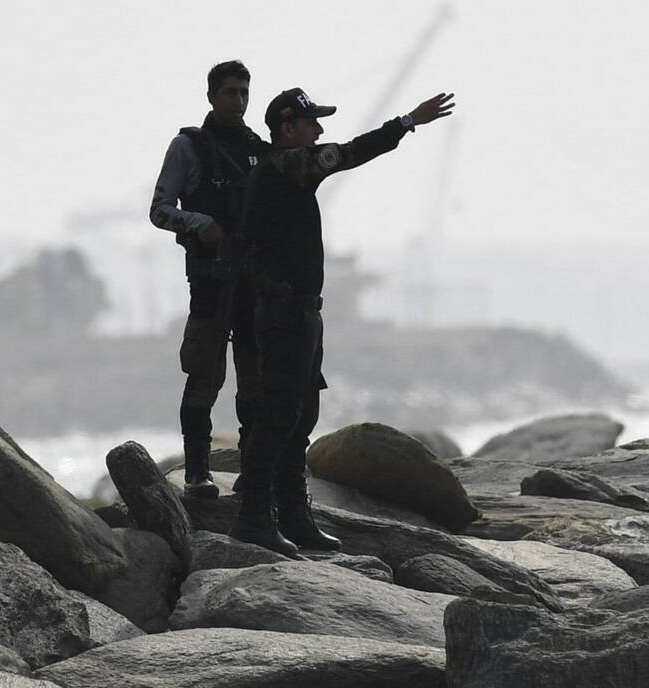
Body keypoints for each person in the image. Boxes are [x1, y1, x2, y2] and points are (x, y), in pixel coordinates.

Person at [232, 87, 455, 555]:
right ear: (287, 129)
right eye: (311, 122)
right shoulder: (284, 166)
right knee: (278, 417)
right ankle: (253, 518)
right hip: (284, 313)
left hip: (302, 311)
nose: (319, 130)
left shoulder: (287, 170)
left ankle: (294, 517)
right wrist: (405, 122)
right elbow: (351, 153)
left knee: (300, 417)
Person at [149, 60, 268, 498]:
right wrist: (201, 224)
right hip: (211, 283)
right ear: (212, 96)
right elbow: (160, 210)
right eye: (230, 92)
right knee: (203, 378)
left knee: (255, 382)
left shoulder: (258, 149)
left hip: (253, 285)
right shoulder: (189, 147)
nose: (238, 101)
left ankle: (254, 472)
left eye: (244, 92)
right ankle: (197, 471)